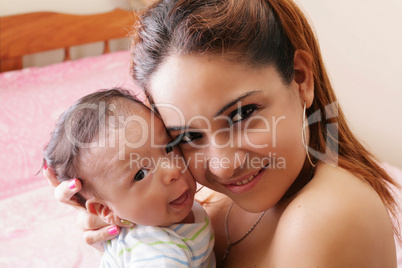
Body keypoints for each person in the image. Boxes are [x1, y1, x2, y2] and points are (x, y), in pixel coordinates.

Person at [45, 0, 400, 267]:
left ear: (301, 79)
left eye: (243, 114)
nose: (225, 166)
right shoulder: (201, 209)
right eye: (186, 137)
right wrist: (127, 232)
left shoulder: (328, 216)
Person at [43, 88, 215, 267]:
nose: (173, 170)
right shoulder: (158, 253)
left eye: (169, 148)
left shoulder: (168, 212)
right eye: (141, 174)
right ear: (106, 210)